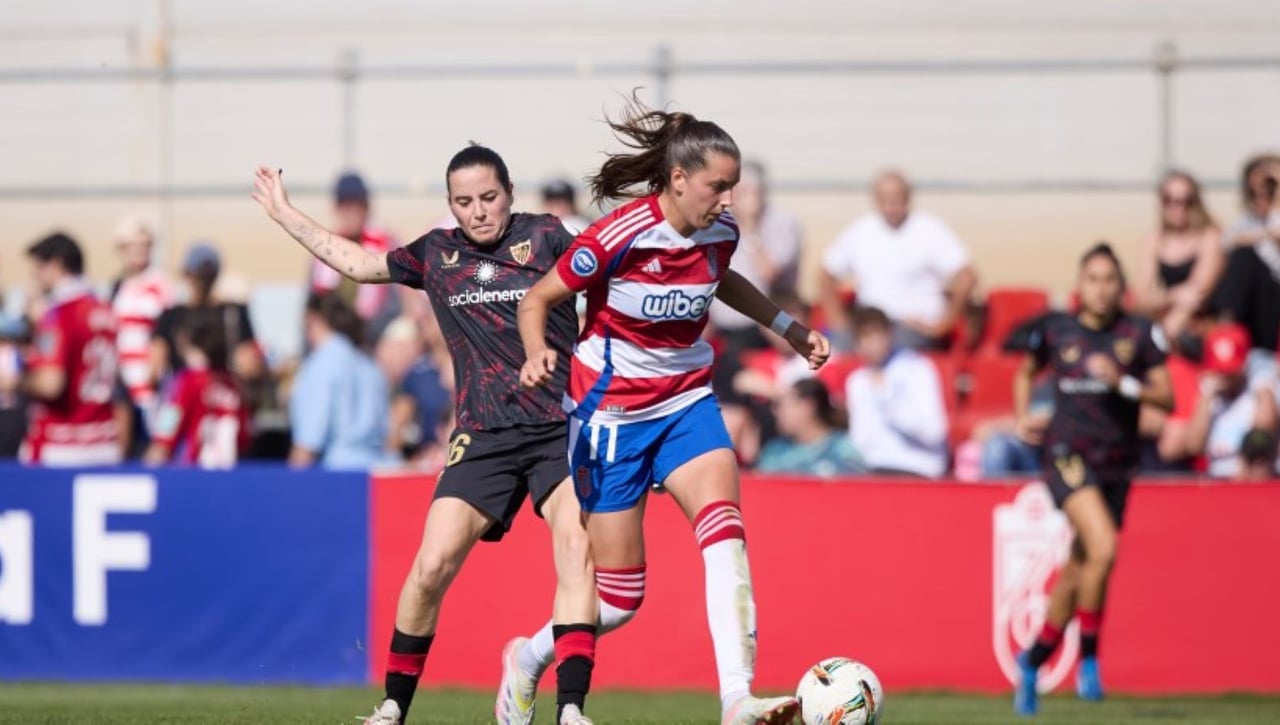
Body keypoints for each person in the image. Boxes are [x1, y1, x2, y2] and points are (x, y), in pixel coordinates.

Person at [253, 147, 631, 725]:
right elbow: (358, 264)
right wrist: (285, 214)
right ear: (450, 204)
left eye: (489, 197)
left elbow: (615, 272)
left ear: (509, 192)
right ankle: (392, 708)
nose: (479, 211)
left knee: (576, 548)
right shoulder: (437, 253)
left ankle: (571, 709)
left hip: (559, 427)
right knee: (430, 568)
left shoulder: (551, 236)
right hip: (482, 435)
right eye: (464, 201)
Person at [517, 100, 830, 725]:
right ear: (680, 179)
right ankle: (526, 658)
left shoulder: (721, 233)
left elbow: (723, 278)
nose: (729, 201)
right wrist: (534, 355)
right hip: (611, 417)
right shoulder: (616, 237)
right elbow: (538, 297)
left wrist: (789, 329)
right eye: (719, 186)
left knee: (725, 534)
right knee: (621, 598)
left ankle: (737, 699)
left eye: (734, 188)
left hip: (687, 400)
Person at [1013, 243, 1174, 716]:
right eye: (1093, 279)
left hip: (1117, 462)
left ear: (1121, 287)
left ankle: (1033, 659)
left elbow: (1165, 399)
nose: (1101, 288)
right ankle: (1088, 662)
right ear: (1080, 285)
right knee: (1104, 547)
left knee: (1081, 568)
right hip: (1067, 454)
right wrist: (1023, 415)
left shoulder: (1138, 333)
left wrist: (1121, 382)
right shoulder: (1056, 329)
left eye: (1109, 280)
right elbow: (1025, 372)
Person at [819, 169, 976, 350]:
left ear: (908, 197)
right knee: (830, 347)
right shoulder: (861, 230)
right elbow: (826, 275)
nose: (892, 203)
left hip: (913, 329)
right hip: (870, 327)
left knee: (892, 349)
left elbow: (967, 277)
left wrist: (942, 326)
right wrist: (839, 323)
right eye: (885, 197)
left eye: (897, 197)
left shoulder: (930, 229)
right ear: (875, 199)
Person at [19, 233, 121, 466]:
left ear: (56, 265)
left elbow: (50, 383)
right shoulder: (105, 310)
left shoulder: (59, 314)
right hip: (104, 441)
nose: (35, 275)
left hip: (62, 444)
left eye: (39, 267)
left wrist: (14, 381)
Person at [707, 160, 803, 352]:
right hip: (722, 327)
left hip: (765, 327)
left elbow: (768, 272)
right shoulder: (719, 222)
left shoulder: (782, 223)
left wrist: (750, 226)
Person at [288, 293, 392, 470]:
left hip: (336, 474)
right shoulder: (368, 364)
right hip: (375, 471)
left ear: (312, 319)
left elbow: (308, 442)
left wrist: (287, 488)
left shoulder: (320, 365)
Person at [845, 306, 949, 477]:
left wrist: (887, 397)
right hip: (871, 471)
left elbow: (934, 433)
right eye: (864, 337)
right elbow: (860, 440)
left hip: (917, 468)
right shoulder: (857, 381)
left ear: (889, 335)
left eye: (876, 335)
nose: (871, 344)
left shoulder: (918, 368)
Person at [144, 309, 250, 468]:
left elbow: (165, 435)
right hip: (230, 477)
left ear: (183, 339)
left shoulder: (187, 382)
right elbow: (245, 437)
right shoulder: (234, 385)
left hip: (195, 477)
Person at [310, 171, 402, 345]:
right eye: (344, 205)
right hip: (332, 341)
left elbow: (395, 307)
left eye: (357, 204)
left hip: (374, 340)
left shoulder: (387, 247)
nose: (350, 212)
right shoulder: (323, 249)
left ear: (366, 207)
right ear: (335, 208)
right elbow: (312, 308)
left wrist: (363, 334)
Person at [1132, 170, 1223, 347]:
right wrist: (1172, 296)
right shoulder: (1154, 240)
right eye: (1169, 200)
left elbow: (1198, 293)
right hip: (1167, 321)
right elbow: (1141, 298)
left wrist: (1166, 332)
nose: (1177, 207)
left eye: (1185, 201)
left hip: (1200, 326)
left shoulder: (1209, 237)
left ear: (1196, 203)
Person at [109, 214, 174, 456]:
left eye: (144, 246)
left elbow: (167, 332)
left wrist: (154, 372)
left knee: (150, 447)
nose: (139, 252)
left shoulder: (160, 284)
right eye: (132, 247)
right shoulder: (118, 286)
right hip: (122, 386)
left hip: (149, 388)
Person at [1180, 323, 1278, 478]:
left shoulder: (1258, 386)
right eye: (1221, 371)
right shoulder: (1210, 394)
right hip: (1218, 479)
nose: (1226, 377)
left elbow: (1264, 433)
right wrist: (1205, 397)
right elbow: (1193, 447)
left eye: (1231, 372)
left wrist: (1265, 391)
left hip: (1252, 480)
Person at [1213, 155, 1280, 353]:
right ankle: (1226, 334)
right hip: (1260, 310)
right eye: (1253, 190)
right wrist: (1267, 234)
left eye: (1269, 186)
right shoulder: (1248, 222)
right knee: (1244, 256)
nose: (1261, 194)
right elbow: (1227, 241)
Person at [756, 378, 862, 477]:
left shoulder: (842, 451)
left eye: (783, 406)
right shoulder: (774, 451)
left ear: (808, 406)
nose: (777, 413)